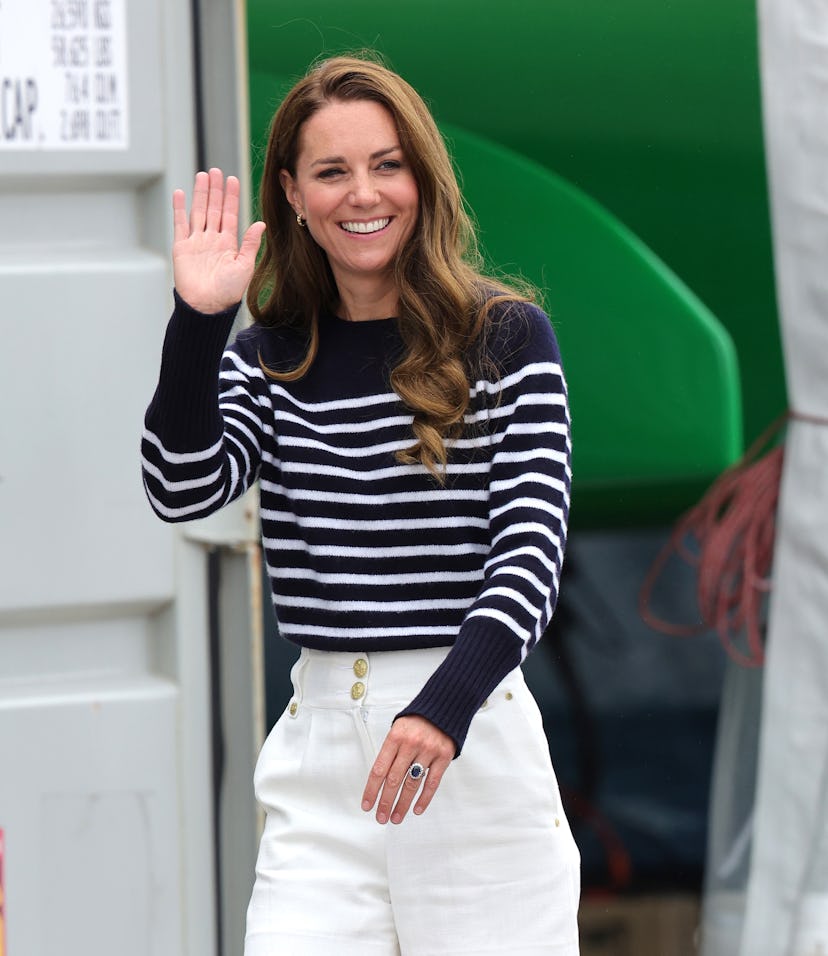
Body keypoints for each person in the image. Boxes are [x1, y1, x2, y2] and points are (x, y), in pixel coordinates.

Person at [142, 53, 580, 956]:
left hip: (472, 747)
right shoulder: (273, 355)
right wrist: (197, 320)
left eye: (386, 164)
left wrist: (444, 706)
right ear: (293, 197)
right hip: (319, 761)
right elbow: (182, 489)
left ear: (422, 177)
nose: (362, 193)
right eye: (331, 172)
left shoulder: (505, 338)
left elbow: (530, 553)